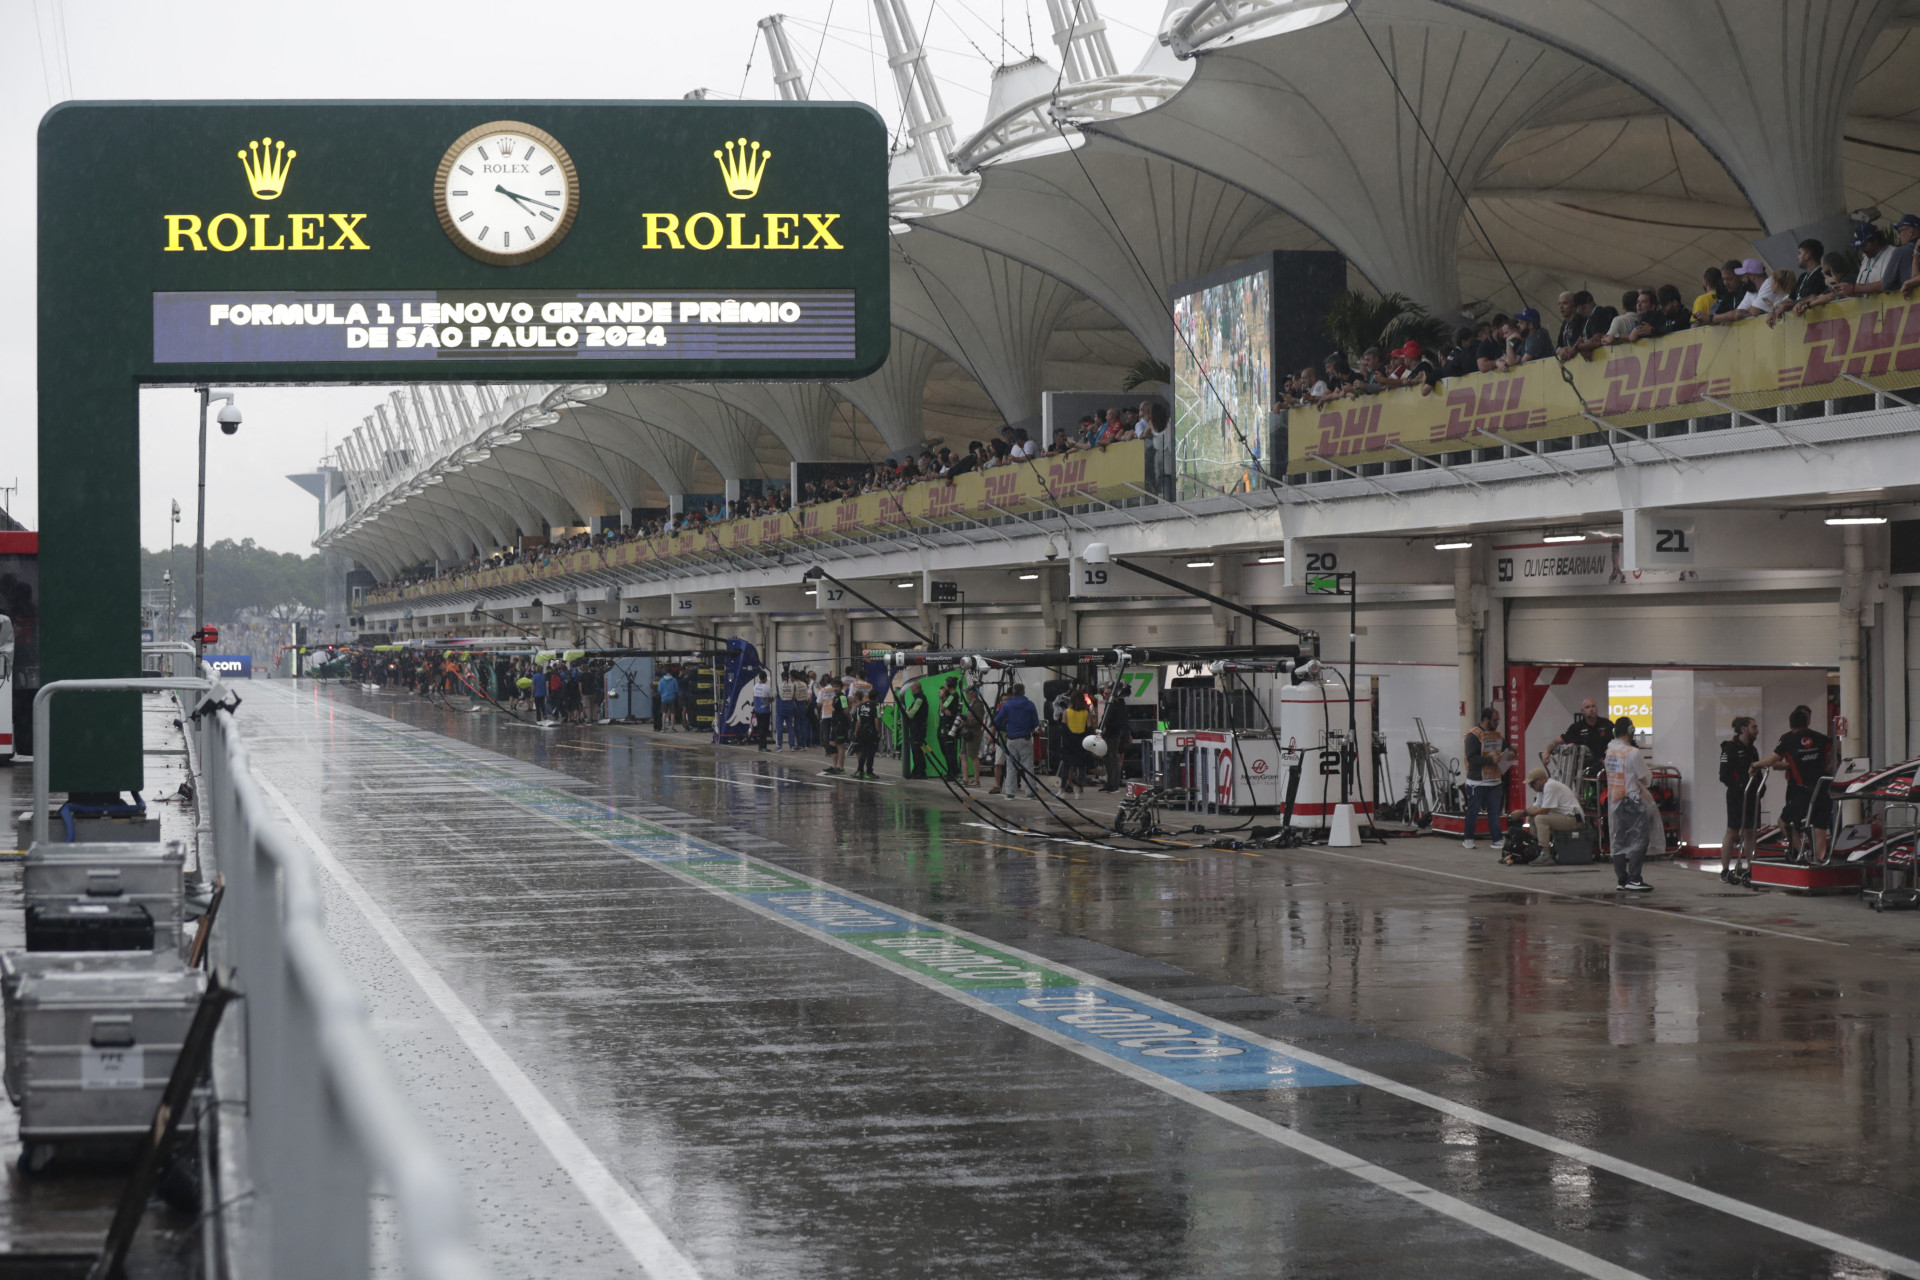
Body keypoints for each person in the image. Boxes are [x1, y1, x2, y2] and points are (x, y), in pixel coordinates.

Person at [1752, 705, 1833, 864]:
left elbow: (1771, 761)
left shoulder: (1788, 740)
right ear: (1807, 722)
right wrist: (1826, 769)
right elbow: (1835, 755)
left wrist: (1754, 765)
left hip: (1802, 790)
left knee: (1784, 822)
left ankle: (1802, 854)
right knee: (1820, 828)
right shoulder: (1821, 738)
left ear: (1790, 724)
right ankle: (1819, 862)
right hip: (1822, 789)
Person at [1605, 716, 1656, 891]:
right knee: (1640, 839)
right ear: (1631, 731)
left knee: (1619, 840)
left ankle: (1622, 879)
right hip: (1632, 800)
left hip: (1616, 801)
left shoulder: (1610, 752)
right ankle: (1634, 879)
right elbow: (1645, 779)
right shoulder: (1632, 753)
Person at [1461, 707, 1510, 851]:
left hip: (1494, 780)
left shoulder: (1496, 736)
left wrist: (1512, 753)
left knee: (1494, 811)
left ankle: (1497, 839)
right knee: (1473, 810)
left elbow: (1508, 748)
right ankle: (1468, 838)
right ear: (1486, 720)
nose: (1498, 723)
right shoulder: (1473, 736)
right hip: (1477, 782)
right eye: (1495, 720)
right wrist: (1490, 760)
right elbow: (1472, 757)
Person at [1513, 766, 1583, 860]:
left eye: (1532, 783)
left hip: (1574, 819)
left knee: (1540, 818)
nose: (1531, 787)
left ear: (1541, 780)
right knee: (1532, 817)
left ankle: (1545, 854)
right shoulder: (1542, 789)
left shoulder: (1550, 786)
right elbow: (1535, 807)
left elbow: (1544, 810)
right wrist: (1523, 812)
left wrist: (1523, 813)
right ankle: (1537, 847)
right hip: (1566, 817)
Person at [1718, 715, 1761, 856]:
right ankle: (1725, 870)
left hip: (1753, 796)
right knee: (1732, 831)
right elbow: (1724, 775)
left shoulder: (1753, 750)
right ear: (1744, 728)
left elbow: (1758, 772)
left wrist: (1761, 789)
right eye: (1754, 727)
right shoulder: (1729, 748)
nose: (1757, 730)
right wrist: (1740, 786)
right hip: (1736, 796)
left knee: (1750, 832)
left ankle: (1750, 868)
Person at [1543, 697, 1612, 778]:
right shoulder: (1577, 728)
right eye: (1587, 707)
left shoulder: (1607, 724)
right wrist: (1547, 751)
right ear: (1582, 711)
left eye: (1593, 706)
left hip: (1605, 767)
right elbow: (1556, 742)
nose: (1591, 709)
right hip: (1584, 770)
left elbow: (1619, 740)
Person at [993, 682, 1040, 799]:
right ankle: (1030, 792)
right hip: (1026, 738)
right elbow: (1036, 722)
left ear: (1013, 693)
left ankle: (1010, 792)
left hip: (1011, 739)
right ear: (1024, 692)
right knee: (1028, 766)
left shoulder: (1007, 705)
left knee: (1011, 765)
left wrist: (1005, 728)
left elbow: (997, 720)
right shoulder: (1030, 705)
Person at [1098, 679, 1132, 791]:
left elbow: (1121, 721)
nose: (1104, 695)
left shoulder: (1118, 705)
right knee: (1107, 758)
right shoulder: (1110, 704)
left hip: (1114, 734)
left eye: (1106, 693)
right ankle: (1109, 782)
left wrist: (1125, 735)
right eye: (1104, 693)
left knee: (1112, 758)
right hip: (1108, 733)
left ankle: (1114, 783)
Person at [849, 689, 880, 780]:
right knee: (870, 753)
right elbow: (877, 720)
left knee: (863, 753)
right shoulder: (876, 706)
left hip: (862, 732)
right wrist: (879, 732)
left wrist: (856, 732)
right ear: (876, 697)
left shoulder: (862, 706)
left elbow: (859, 721)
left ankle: (860, 771)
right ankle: (869, 772)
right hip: (871, 732)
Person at [750, 669, 772, 750]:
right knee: (764, 729)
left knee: (760, 728)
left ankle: (761, 745)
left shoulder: (755, 686)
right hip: (765, 711)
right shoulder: (767, 687)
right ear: (765, 678)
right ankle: (763, 746)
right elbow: (771, 698)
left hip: (757, 710)